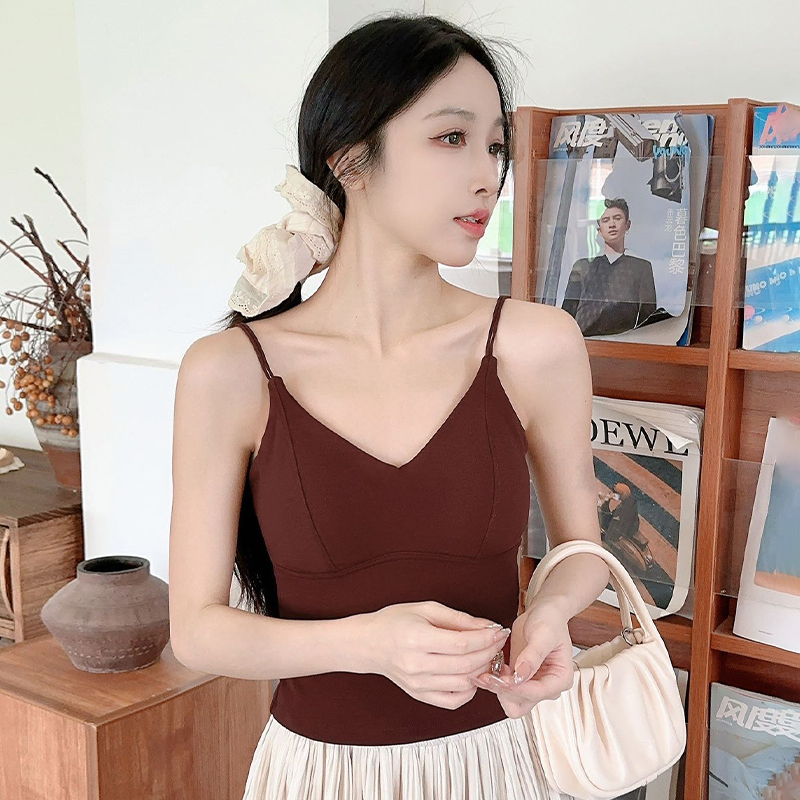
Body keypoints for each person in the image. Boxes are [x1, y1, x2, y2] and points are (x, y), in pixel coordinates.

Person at [168, 12, 610, 799]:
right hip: (321, 773)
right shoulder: (231, 371)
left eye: (495, 145)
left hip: (496, 764)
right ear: (349, 159)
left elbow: (581, 548)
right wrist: (369, 644)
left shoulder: (536, 345)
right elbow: (197, 630)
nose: (488, 175)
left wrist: (548, 612)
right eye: (452, 138)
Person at [561, 197, 659, 336]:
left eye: (617, 218)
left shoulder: (641, 268)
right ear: (599, 230)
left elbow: (647, 318)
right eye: (605, 220)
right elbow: (567, 312)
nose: (612, 224)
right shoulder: (583, 266)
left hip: (622, 342)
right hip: (583, 340)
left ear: (627, 225)